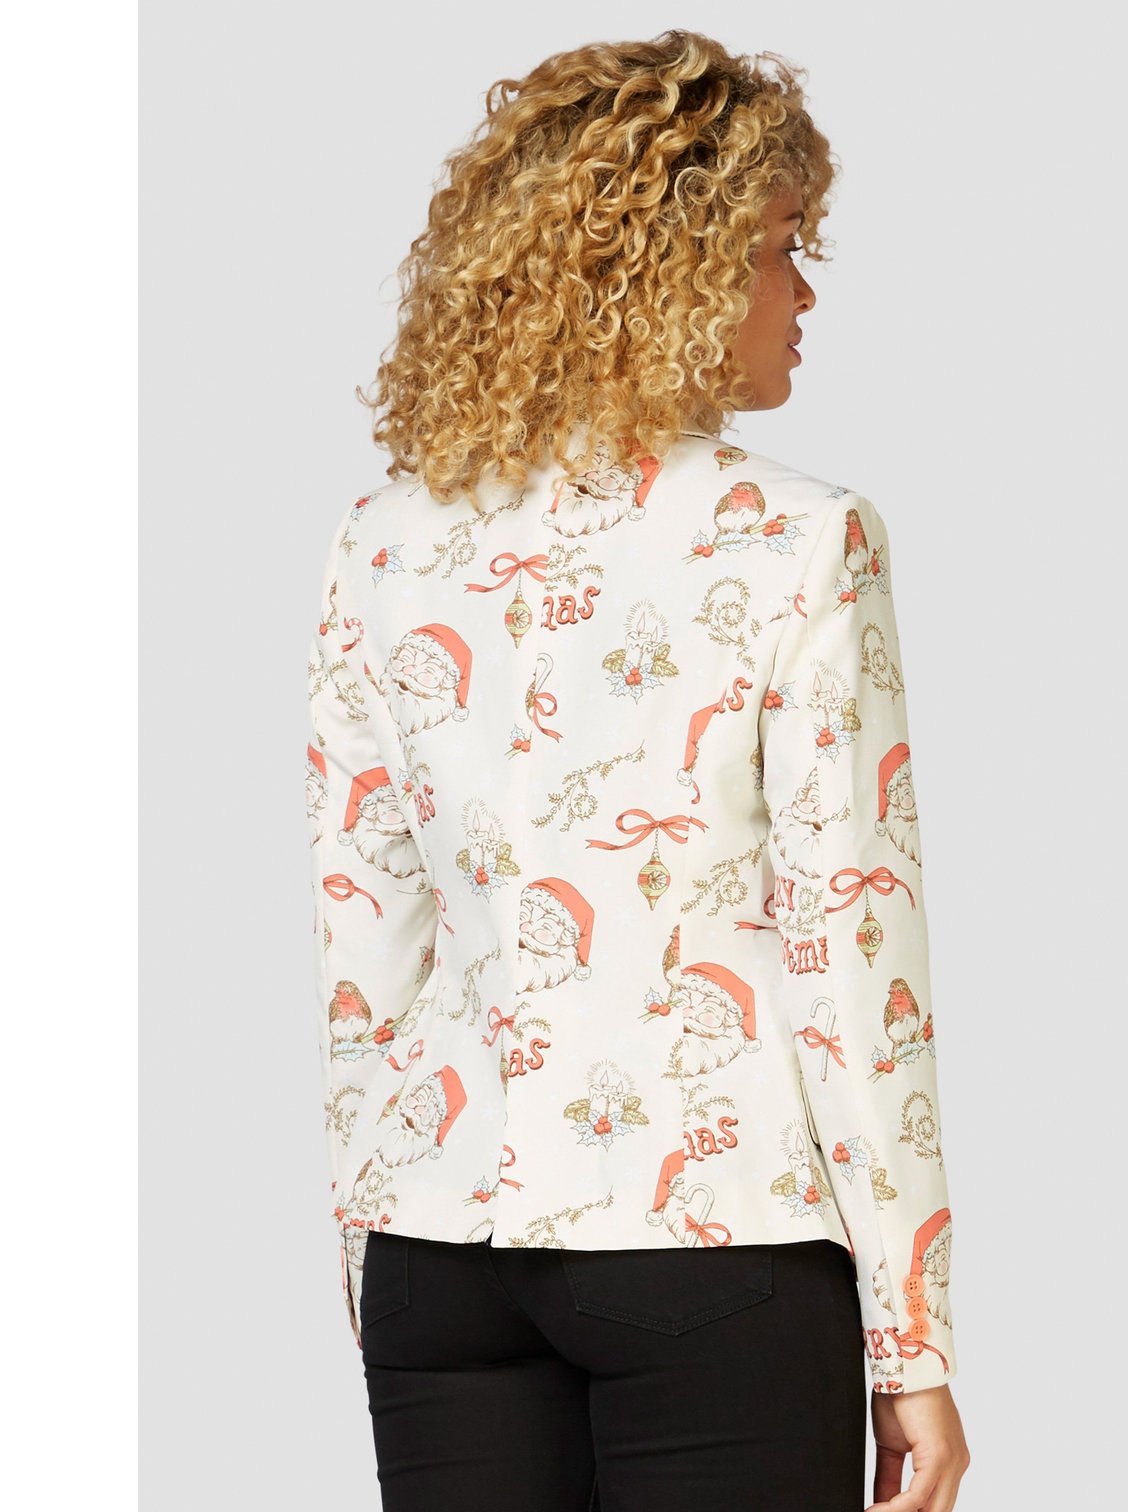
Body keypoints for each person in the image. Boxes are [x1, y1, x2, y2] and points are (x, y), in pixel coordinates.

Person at [304, 28, 971, 1512]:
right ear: (675, 273)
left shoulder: (385, 542)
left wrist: (367, 1237)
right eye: (781, 249)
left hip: (437, 1250)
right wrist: (912, 1345)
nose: (804, 294)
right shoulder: (802, 540)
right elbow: (851, 953)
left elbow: (366, 941)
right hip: (713, 1246)